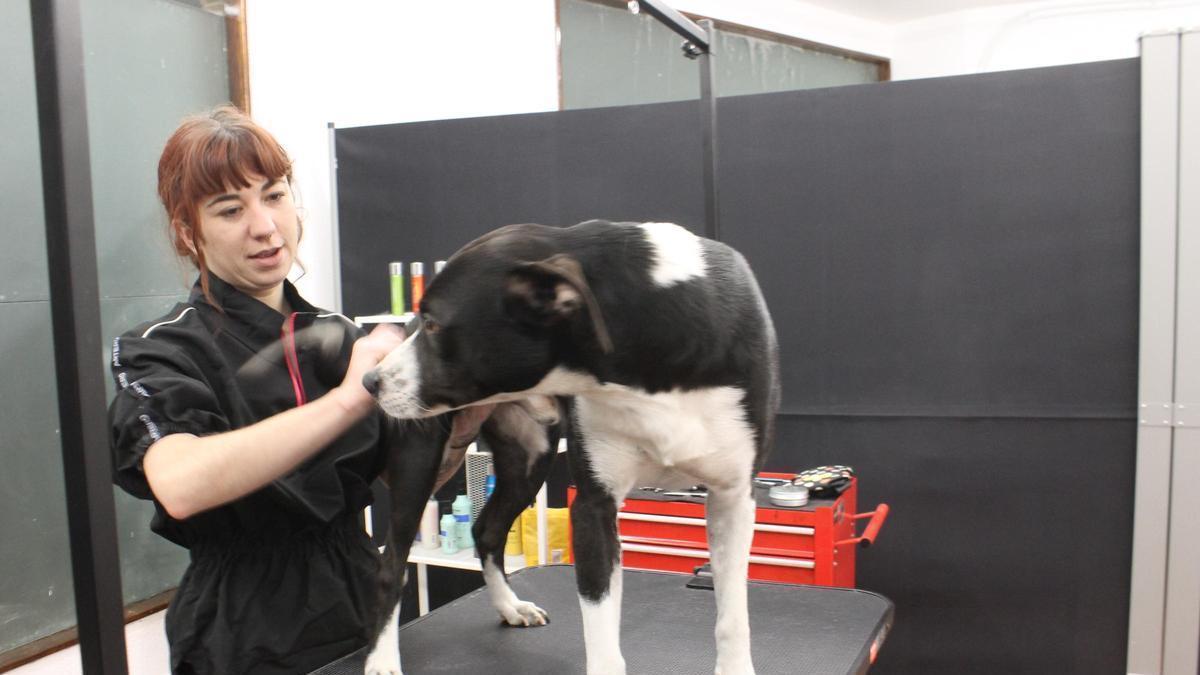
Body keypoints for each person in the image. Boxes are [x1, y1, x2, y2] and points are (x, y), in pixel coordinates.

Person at [108, 105, 410, 674]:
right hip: (242, 628)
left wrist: (465, 420)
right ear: (187, 233)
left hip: (361, 598)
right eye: (230, 209)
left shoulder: (338, 335)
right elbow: (181, 484)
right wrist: (346, 400)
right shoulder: (161, 350)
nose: (265, 226)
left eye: (274, 196)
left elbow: (406, 475)